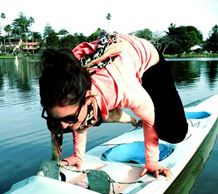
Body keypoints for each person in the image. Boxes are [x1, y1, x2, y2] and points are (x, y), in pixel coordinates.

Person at [39, 31, 188, 180]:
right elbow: (80, 120)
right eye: (55, 118)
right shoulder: (63, 80)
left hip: (149, 62)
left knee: (174, 132)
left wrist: (152, 162)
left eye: (70, 118)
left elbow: (150, 119)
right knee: (70, 120)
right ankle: (113, 116)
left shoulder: (123, 89)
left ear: (89, 99)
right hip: (117, 65)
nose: (64, 126)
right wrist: (78, 155)